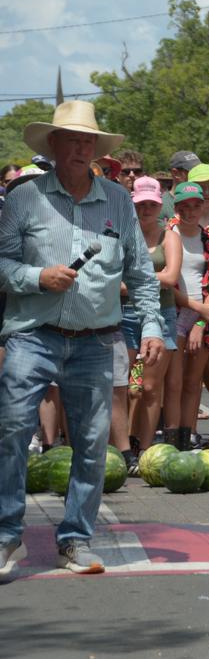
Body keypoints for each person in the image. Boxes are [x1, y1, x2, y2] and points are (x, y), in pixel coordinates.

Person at [0, 101, 164, 576]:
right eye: (71, 139)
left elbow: (142, 273)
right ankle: (8, 534)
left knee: (93, 444)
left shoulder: (117, 200)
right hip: (33, 337)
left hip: (97, 341)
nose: (80, 148)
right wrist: (37, 277)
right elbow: (3, 265)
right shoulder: (23, 198)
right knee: (11, 430)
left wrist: (151, 325)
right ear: (52, 145)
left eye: (87, 140)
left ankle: (75, 539)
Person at [167, 182, 209, 451]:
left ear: (203, 206)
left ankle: (188, 434)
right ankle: (171, 436)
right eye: (185, 206)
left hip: (203, 316)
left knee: (193, 381)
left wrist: (202, 320)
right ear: (177, 208)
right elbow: (167, 283)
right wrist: (196, 307)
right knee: (175, 380)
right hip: (176, 310)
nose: (191, 211)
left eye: (195, 205)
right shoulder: (168, 234)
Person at [125, 177, 182, 457]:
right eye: (141, 204)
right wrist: (142, 281)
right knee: (121, 386)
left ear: (159, 206)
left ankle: (144, 449)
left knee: (149, 386)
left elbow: (171, 277)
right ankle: (121, 446)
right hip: (124, 313)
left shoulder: (169, 237)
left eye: (151, 205)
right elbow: (112, 279)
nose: (146, 210)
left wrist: (133, 281)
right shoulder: (124, 235)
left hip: (162, 314)